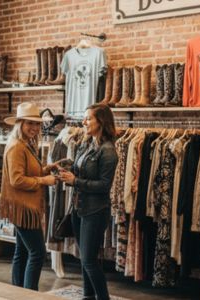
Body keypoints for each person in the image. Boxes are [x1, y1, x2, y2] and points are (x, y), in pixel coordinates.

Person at [58, 103, 118, 300]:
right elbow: (79, 168)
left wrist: (76, 181)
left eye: (88, 118)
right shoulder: (87, 143)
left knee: (89, 260)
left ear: (101, 122)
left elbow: (103, 185)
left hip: (96, 211)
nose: (84, 122)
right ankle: (88, 296)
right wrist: (68, 170)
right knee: (85, 258)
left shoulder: (108, 151)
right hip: (79, 207)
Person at [0, 102, 57, 290]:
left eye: (37, 124)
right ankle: (30, 294)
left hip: (24, 207)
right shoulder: (17, 147)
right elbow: (17, 180)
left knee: (22, 252)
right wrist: (43, 181)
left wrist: (48, 169)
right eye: (29, 123)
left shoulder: (25, 145)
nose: (34, 128)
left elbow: (30, 171)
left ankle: (18, 293)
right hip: (24, 208)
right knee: (38, 253)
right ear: (20, 124)